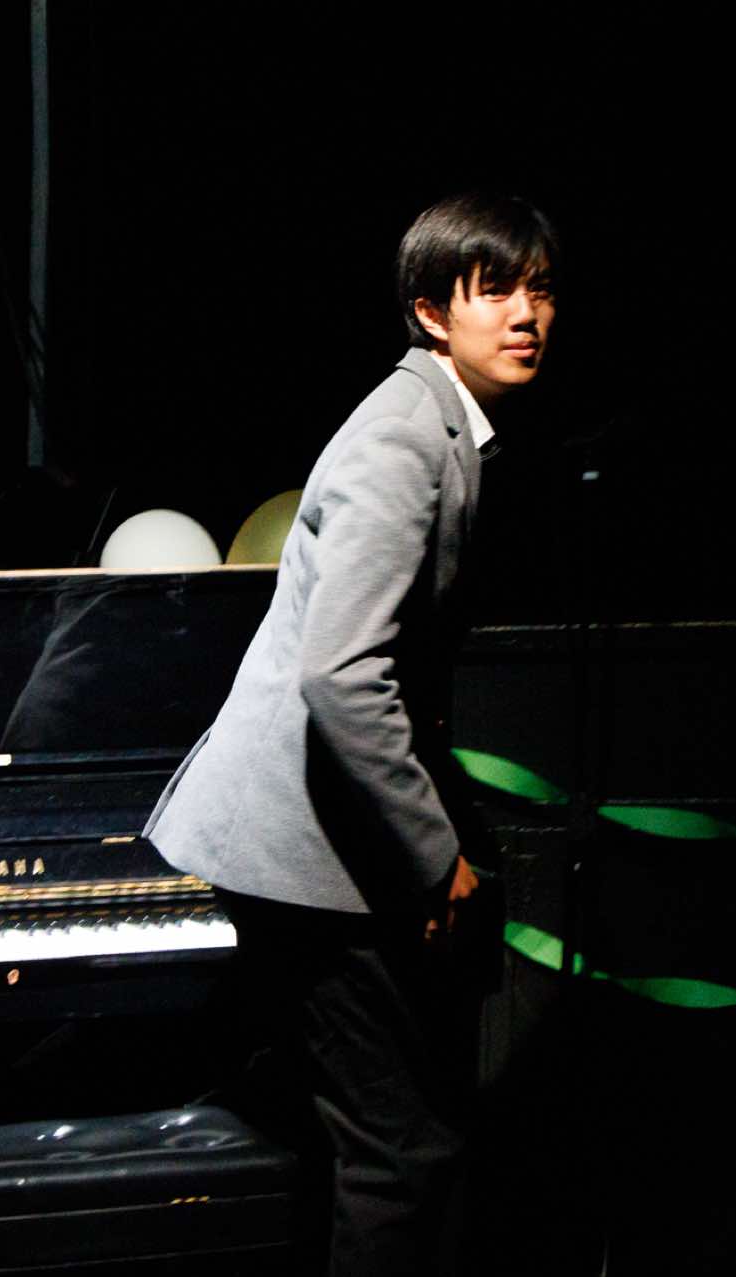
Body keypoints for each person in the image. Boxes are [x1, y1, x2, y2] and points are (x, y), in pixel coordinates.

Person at [143, 191, 559, 1274]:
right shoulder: (403, 439)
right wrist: (433, 859)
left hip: (317, 843)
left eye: (539, 289)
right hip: (305, 848)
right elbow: (341, 675)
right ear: (431, 312)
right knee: (400, 1155)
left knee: (397, 1141)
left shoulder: (440, 424)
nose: (526, 313)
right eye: (495, 291)